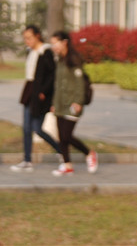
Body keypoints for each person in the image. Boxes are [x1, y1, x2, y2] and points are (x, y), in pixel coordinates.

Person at [10, 25, 61, 172]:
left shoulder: (46, 51)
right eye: (25, 38)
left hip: (40, 93)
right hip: (29, 90)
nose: (27, 41)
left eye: (29, 38)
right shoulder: (29, 51)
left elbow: (52, 75)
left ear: (38, 36)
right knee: (26, 128)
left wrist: (44, 91)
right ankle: (27, 160)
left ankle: (60, 150)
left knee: (37, 129)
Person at [49, 30, 98, 176]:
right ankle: (67, 165)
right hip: (59, 103)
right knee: (60, 136)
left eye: (55, 43)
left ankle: (89, 153)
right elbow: (57, 84)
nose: (53, 47)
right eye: (52, 44)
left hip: (72, 104)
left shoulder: (74, 59)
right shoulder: (59, 59)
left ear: (64, 42)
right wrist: (54, 103)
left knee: (66, 135)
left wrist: (78, 101)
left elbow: (79, 83)